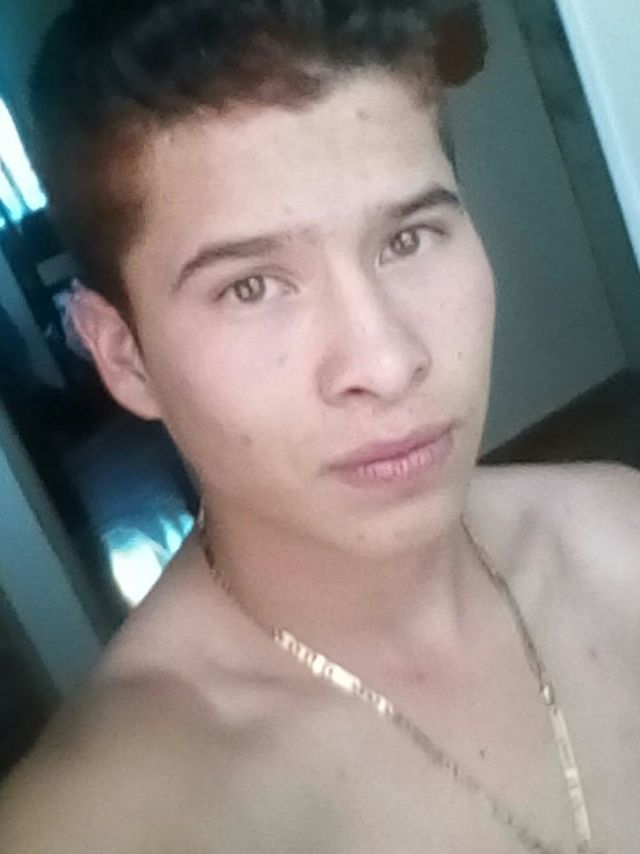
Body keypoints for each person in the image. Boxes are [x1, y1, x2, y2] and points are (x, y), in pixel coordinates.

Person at [0, 1, 638, 851]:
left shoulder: (621, 532)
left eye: (408, 238)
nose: (387, 363)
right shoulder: (105, 822)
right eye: (251, 286)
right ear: (125, 358)